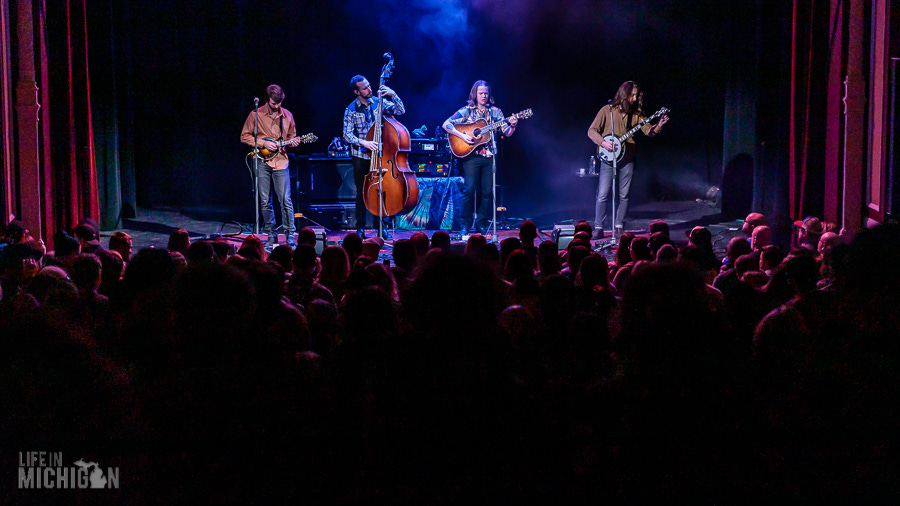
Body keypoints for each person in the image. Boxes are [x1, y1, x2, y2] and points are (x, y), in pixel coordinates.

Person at [587, 81, 669, 239]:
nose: (634, 98)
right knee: (603, 194)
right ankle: (598, 227)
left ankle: (619, 226)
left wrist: (658, 125)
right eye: (632, 95)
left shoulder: (637, 114)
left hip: (628, 157)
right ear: (624, 94)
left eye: (636, 95)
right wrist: (603, 143)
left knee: (624, 195)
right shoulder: (607, 110)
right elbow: (591, 131)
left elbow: (648, 131)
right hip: (608, 159)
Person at [443, 80, 518, 235]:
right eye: (481, 93)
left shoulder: (496, 112)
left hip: (489, 157)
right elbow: (446, 124)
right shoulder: (467, 111)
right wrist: (462, 136)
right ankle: (465, 225)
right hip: (471, 156)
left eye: (486, 93)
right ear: (475, 94)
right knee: (469, 190)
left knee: (487, 193)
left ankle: (481, 224)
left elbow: (507, 133)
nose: (484, 96)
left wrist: (513, 125)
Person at [342, 74, 405, 240]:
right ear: (357, 92)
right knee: (362, 191)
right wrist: (364, 142)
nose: (369, 89)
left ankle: (381, 226)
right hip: (361, 155)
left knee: (381, 190)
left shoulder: (379, 102)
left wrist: (393, 94)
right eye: (365, 88)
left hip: (380, 155)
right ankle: (360, 227)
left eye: (369, 86)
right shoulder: (351, 110)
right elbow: (347, 134)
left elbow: (400, 110)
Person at [241, 84, 302, 249]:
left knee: (285, 200)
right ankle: (271, 234)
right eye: (274, 103)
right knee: (265, 201)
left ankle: (290, 235)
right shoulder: (256, 114)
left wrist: (293, 141)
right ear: (267, 100)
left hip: (281, 161)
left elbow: (292, 136)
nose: (277, 106)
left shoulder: (287, 115)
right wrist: (263, 143)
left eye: (279, 103)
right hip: (261, 161)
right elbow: (244, 136)